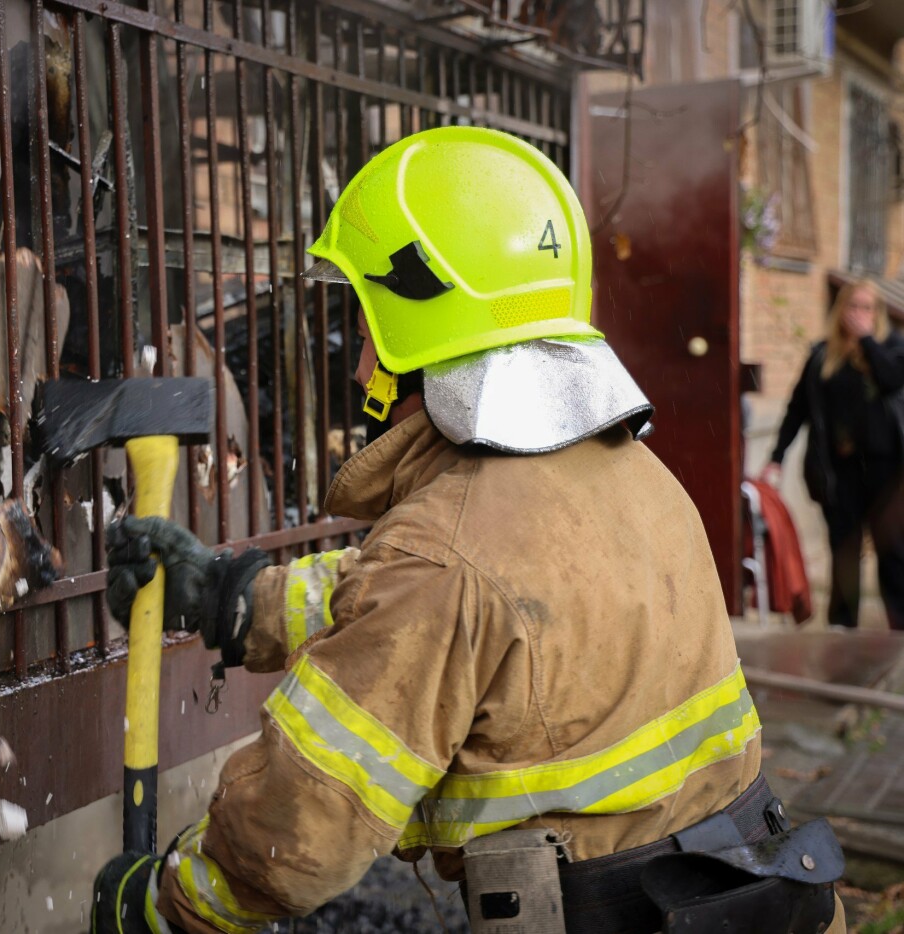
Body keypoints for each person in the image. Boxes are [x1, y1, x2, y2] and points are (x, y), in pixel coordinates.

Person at [92, 126, 844, 933]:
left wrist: (169, 908)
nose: (356, 365)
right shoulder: (630, 474)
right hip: (761, 892)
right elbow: (458, 607)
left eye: (368, 326)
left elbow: (303, 824)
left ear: (419, 335)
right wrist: (233, 596)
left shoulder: (445, 555)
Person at [762, 281, 904, 630]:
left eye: (867, 307)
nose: (859, 314)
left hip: (889, 472)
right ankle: (843, 631)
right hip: (839, 472)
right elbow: (797, 410)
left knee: (894, 554)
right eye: (853, 306)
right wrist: (776, 457)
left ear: (878, 313)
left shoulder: (892, 348)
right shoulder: (822, 356)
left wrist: (868, 340)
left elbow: (892, 380)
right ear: (840, 310)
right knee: (844, 552)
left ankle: (899, 631)